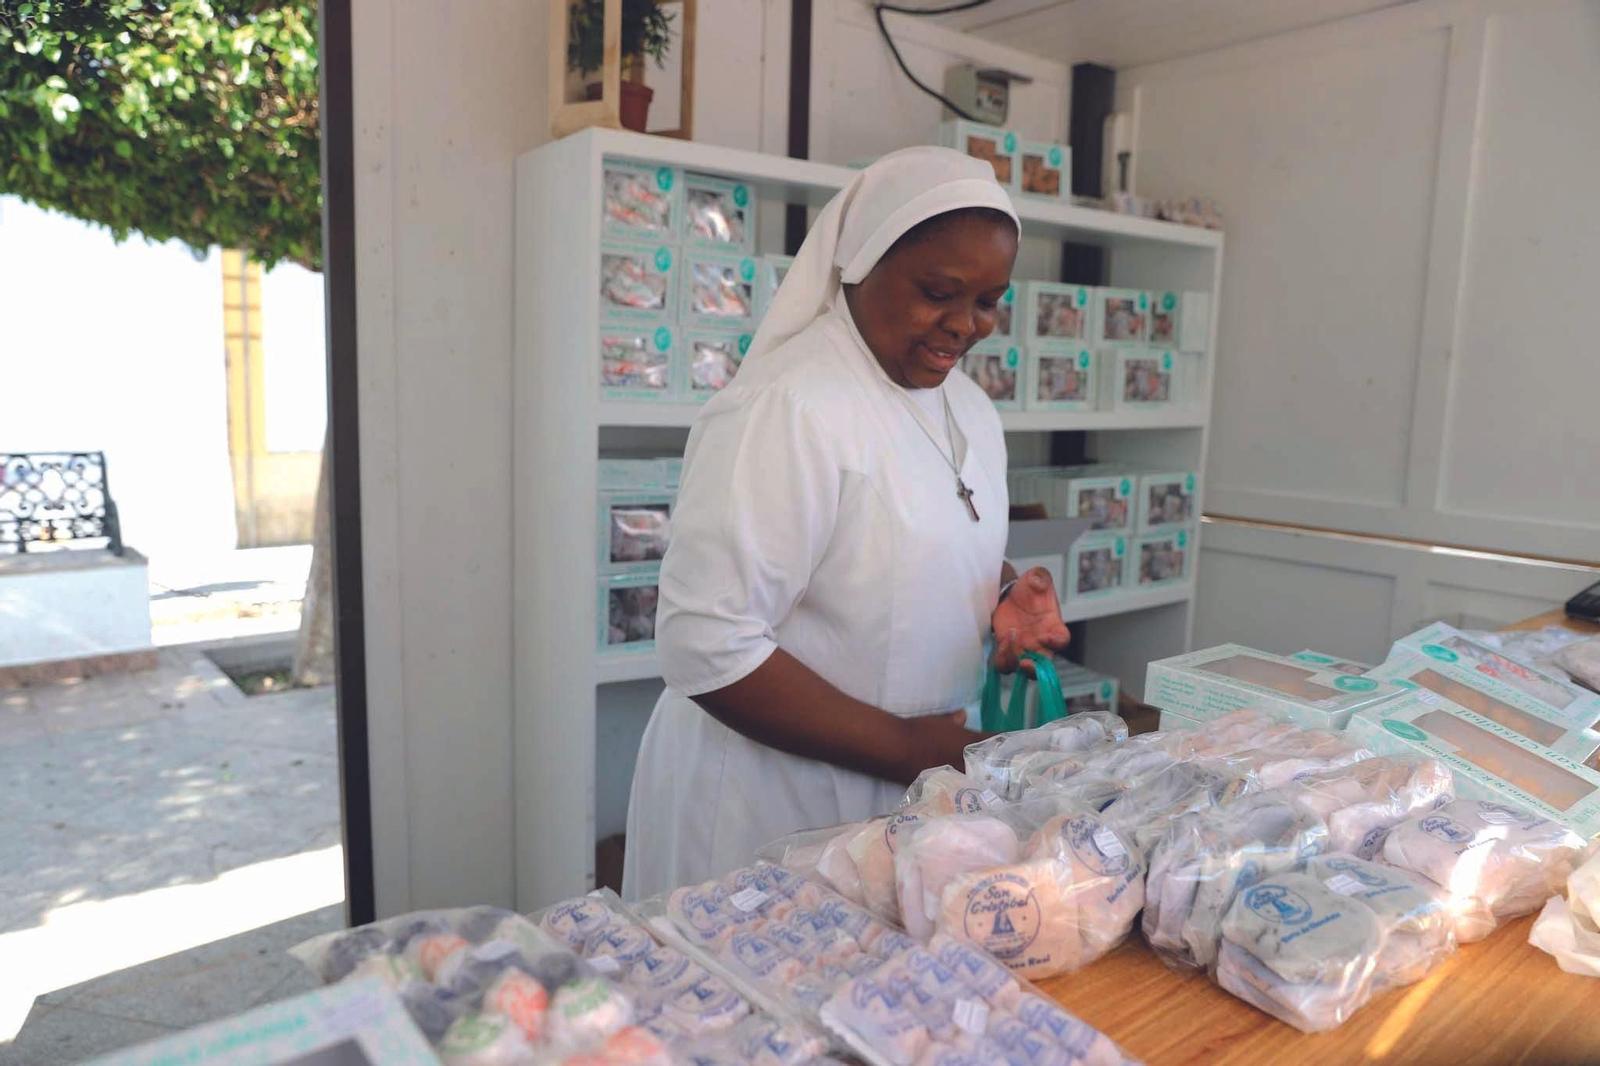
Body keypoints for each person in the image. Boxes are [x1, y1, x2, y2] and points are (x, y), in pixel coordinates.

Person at [621, 148, 1072, 900]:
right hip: (772, 795)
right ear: (858, 266)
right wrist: (912, 747)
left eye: (990, 301)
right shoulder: (789, 406)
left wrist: (998, 594)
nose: (964, 326)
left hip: (909, 790)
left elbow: (893, 538)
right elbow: (706, 641)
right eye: (938, 292)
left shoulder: (970, 409)